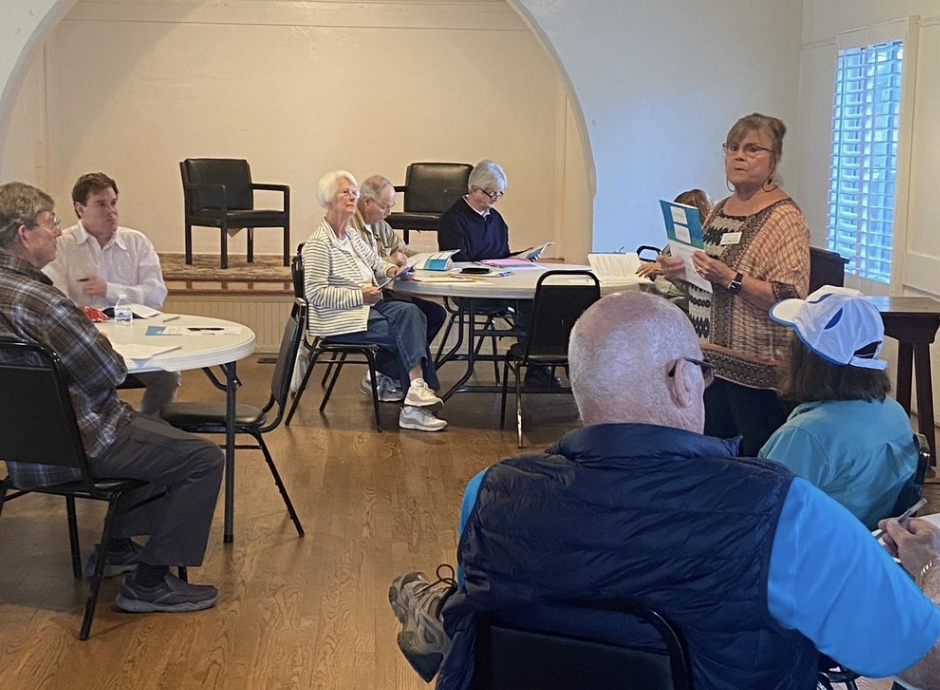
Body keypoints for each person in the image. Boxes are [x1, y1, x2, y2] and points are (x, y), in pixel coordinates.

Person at [388, 291, 940, 690]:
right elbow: (923, 663)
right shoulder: (784, 513)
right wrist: (927, 574)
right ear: (682, 378)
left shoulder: (487, 494)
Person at [0, 181, 223, 612]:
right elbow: (109, 371)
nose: (56, 231)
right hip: (82, 443)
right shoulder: (43, 303)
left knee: (155, 438)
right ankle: (149, 583)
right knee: (200, 459)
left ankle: (117, 549)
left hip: (20, 452)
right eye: (50, 224)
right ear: (24, 234)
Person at [661, 113, 810, 455]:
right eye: (733, 147)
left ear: (774, 161)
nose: (738, 156)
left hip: (757, 373)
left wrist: (731, 278)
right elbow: (706, 281)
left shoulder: (784, 218)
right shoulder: (721, 208)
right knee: (713, 460)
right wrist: (681, 272)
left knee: (754, 465)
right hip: (710, 365)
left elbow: (789, 298)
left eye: (752, 148)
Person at [759, 286, 918, 529]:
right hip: (870, 547)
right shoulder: (895, 412)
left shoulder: (807, 435)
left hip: (814, 557)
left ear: (807, 358)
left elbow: (762, 517)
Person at [303, 170, 447, 432]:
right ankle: (415, 402)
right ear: (328, 200)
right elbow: (315, 293)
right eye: (344, 192)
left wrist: (391, 270)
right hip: (340, 320)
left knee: (413, 314)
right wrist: (359, 295)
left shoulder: (350, 236)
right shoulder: (318, 244)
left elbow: (375, 261)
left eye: (354, 191)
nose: (352, 196)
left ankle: (415, 393)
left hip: (365, 309)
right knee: (409, 324)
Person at [43, 172, 180, 417]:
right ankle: (93, 434)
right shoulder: (62, 245)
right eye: (101, 204)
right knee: (73, 380)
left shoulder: (137, 242)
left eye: (114, 203)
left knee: (169, 374)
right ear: (79, 208)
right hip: (84, 343)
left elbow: (156, 295)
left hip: (135, 339)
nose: (111, 211)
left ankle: (151, 428)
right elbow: (56, 300)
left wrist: (111, 290)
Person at [437, 160, 556, 388]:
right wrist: (494, 263)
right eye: (491, 194)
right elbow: (458, 261)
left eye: (499, 194)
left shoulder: (496, 220)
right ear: (473, 190)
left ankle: (536, 365)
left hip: (498, 282)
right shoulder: (453, 220)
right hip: (472, 289)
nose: (495, 200)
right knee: (529, 305)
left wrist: (520, 257)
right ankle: (532, 364)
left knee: (542, 299)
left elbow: (500, 253)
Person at [349, 175, 447, 401]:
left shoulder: (380, 225)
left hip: (384, 293)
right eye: (385, 206)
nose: (389, 212)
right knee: (411, 316)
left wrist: (434, 259)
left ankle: (386, 372)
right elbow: (366, 266)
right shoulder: (349, 227)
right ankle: (419, 391)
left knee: (435, 313)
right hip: (364, 300)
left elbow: (405, 251)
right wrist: (391, 259)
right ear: (367, 202)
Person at [636, 188, 713, 312]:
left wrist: (667, 272)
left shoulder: (705, 248)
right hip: (662, 297)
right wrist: (652, 270)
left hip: (678, 305)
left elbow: (697, 289)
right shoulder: (675, 243)